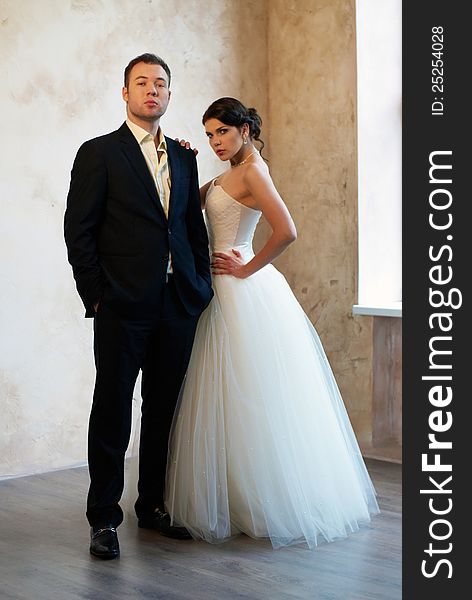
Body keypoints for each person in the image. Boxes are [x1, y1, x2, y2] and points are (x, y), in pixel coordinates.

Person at [165, 97, 380, 549]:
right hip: (217, 287)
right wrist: (182, 158)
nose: (214, 141)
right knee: (226, 392)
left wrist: (246, 268)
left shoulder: (253, 172)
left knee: (251, 393)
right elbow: (185, 205)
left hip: (241, 287)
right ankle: (231, 494)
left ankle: (261, 499)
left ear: (245, 129)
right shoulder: (229, 173)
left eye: (222, 131)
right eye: (208, 134)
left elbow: (287, 231)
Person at [64, 53, 213, 559]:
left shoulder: (186, 156)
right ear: (124, 93)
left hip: (177, 303)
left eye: (161, 84)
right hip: (122, 305)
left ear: (170, 96)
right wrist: (98, 295)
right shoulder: (99, 153)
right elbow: (78, 231)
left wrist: (200, 286)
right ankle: (104, 518)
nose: (153, 90)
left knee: (163, 408)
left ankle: (151, 506)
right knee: (111, 408)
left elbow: (193, 227)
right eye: (142, 83)